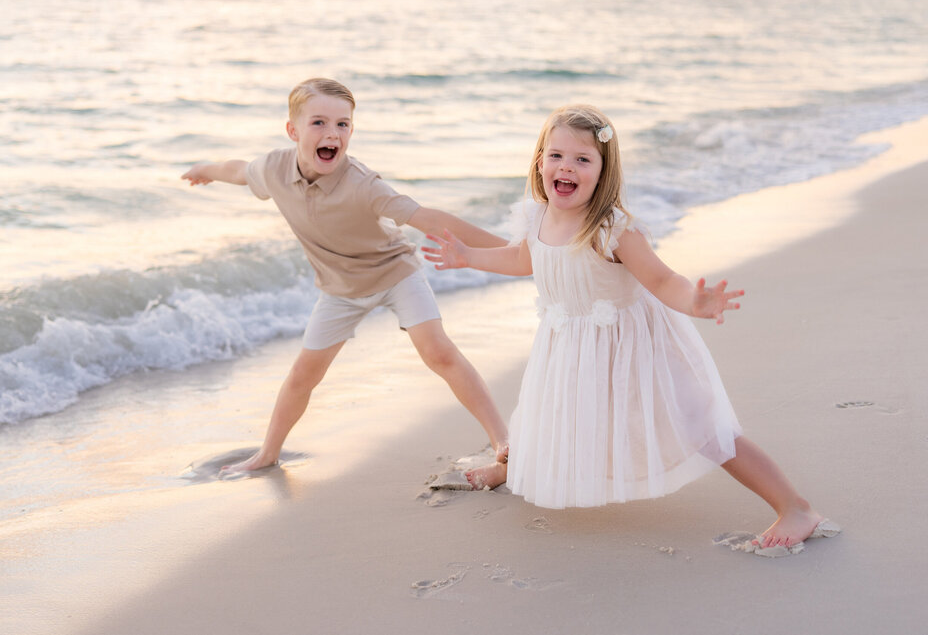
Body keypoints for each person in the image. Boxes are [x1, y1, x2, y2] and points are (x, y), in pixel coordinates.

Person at [422, 104, 832, 549]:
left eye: (583, 159)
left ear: (603, 171)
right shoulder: (537, 216)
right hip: (571, 344)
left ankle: (794, 507)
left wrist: (695, 301)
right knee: (551, 408)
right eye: (556, 155)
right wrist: (469, 257)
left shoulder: (611, 230)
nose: (567, 167)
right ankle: (514, 467)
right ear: (540, 160)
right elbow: (523, 258)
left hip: (637, 348)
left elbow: (662, 280)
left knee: (702, 427)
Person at [181, 77, 508, 476]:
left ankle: (501, 440)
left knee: (439, 352)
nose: (332, 134)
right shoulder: (274, 169)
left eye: (343, 125)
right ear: (293, 130)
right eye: (318, 123)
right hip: (340, 290)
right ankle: (267, 453)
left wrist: (511, 251)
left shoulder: (365, 185)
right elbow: (238, 170)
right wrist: (207, 170)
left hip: (394, 274)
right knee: (304, 374)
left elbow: (430, 218)